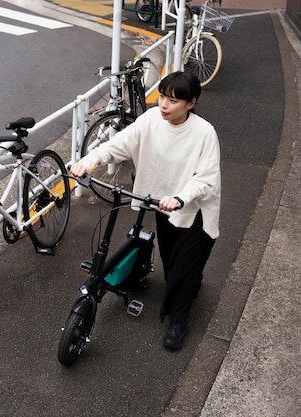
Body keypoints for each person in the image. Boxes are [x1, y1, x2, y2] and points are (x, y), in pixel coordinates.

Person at [70, 71, 221, 350]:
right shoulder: (151, 120)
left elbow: (206, 179)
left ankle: (178, 321)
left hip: (194, 207)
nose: (164, 104)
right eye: (162, 96)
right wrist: (89, 161)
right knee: (170, 260)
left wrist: (180, 197)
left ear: (191, 103)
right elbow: (119, 144)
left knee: (183, 269)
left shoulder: (204, 133)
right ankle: (189, 283)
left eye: (173, 100)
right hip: (161, 203)